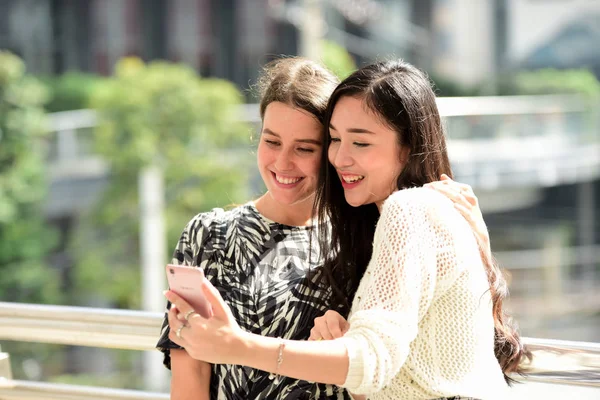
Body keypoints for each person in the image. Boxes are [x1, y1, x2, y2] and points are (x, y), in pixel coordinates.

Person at [164, 59, 526, 400]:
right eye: (271, 141)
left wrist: (235, 345)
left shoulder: (379, 227)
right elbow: (189, 373)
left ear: (408, 147)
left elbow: (373, 361)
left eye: (306, 147)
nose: (283, 161)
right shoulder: (209, 233)